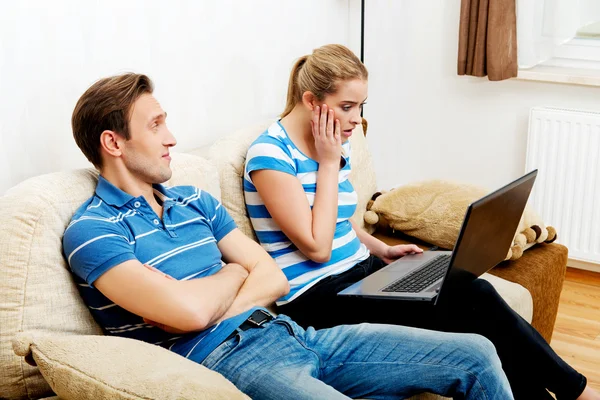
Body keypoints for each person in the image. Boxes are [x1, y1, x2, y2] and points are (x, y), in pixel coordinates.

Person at [62, 72, 513, 400]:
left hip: (294, 332)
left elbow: (272, 278)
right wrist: (239, 271)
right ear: (113, 143)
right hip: (230, 358)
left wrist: (226, 287)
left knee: (475, 353)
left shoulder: (192, 201)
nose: (172, 137)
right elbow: (189, 311)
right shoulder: (93, 231)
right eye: (156, 125)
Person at [244, 44, 599, 400]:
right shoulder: (270, 155)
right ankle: (577, 392)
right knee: (474, 298)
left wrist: (382, 249)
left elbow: (336, 219)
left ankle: (563, 393)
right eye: (346, 107)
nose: (356, 119)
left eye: (360, 106)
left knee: (471, 296)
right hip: (318, 299)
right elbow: (317, 247)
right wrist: (327, 163)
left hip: (361, 274)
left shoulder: (335, 139)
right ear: (310, 101)